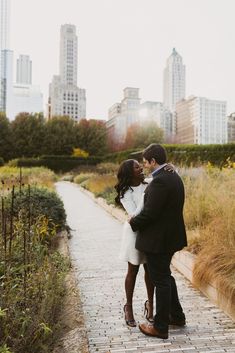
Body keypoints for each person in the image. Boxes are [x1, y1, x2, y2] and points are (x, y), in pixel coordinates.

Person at [129, 144, 187, 339]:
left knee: (160, 280)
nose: (144, 165)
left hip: (160, 240)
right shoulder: (173, 175)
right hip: (170, 237)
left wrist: (133, 222)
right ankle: (177, 316)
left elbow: (151, 213)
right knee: (166, 276)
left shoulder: (161, 181)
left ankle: (160, 327)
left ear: (154, 161)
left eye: (146, 162)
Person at [115, 159, 154, 327]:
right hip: (134, 234)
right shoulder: (125, 192)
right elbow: (133, 214)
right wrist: (146, 197)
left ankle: (150, 305)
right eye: (137, 167)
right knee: (133, 271)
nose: (141, 168)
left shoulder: (150, 183)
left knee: (150, 270)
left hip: (150, 232)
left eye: (140, 165)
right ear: (129, 173)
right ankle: (128, 307)